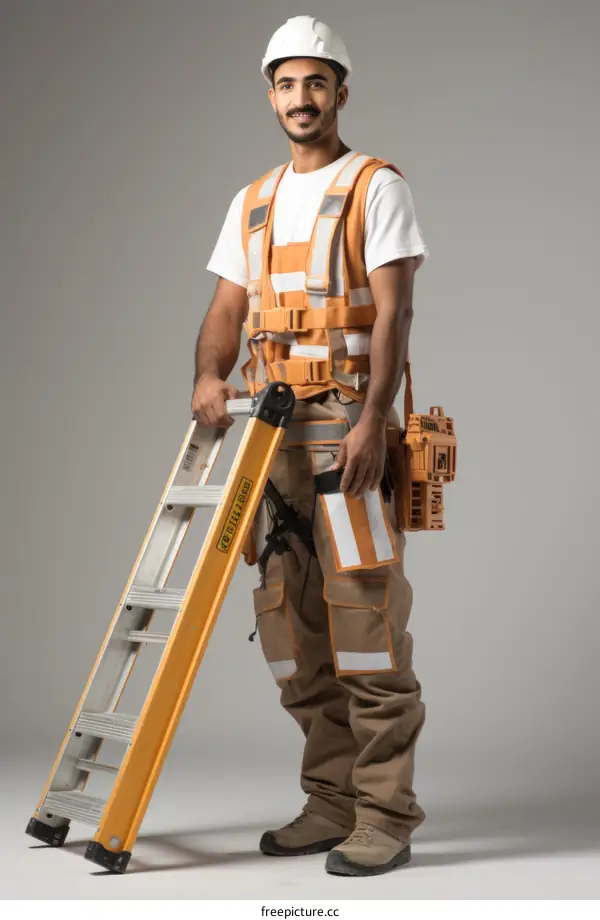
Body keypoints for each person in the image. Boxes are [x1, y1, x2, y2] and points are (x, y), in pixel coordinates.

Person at [191, 15, 428, 877]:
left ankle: (386, 812)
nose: (301, 98)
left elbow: (397, 312)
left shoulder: (375, 186)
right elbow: (225, 313)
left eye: (316, 83)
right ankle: (329, 801)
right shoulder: (249, 202)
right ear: (271, 94)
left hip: (347, 430)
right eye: (287, 83)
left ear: (340, 91)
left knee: (365, 625)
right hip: (271, 439)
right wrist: (210, 377)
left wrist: (374, 420)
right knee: (292, 632)